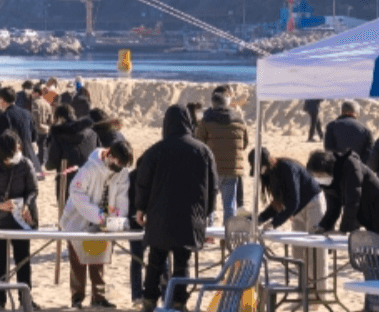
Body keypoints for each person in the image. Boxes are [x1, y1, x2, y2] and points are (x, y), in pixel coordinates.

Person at [133, 105, 217, 312]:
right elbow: (212, 187)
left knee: (155, 261)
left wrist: (141, 208)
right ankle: (179, 303)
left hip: (160, 216)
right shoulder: (203, 151)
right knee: (182, 262)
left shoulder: (155, 150)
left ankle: (149, 302)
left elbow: (142, 183)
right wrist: (206, 214)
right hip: (189, 217)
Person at [61, 140, 133, 310]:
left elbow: (122, 197)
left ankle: (98, 297)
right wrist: (98, 215)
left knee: (98, 258)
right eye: (117, 165)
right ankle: (77, 298)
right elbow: (76, 191)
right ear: (109, 155)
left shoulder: (121, 172)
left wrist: (117, 218)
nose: (119, 169)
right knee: (78, 260)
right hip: (79, 219)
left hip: (105, 221)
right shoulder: (89, 169)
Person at [253, 147, 327, 294]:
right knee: (298, 252)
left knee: (316, 251)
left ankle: (320, 293)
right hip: (297, 211)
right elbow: (277, 204)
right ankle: (305, 291)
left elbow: (293, 201)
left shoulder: (287, 167)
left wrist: (274, 223)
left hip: (313, 203)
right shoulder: (268, 175)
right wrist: (260, 218)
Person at [0, 130, 39, 309]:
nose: (16, 153)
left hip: (22, 219)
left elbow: (33, 189)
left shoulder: (25, 163)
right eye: (11, 152)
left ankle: (25, 299)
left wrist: (27, 204)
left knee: (23, 260)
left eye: (17, 148)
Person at [306, 149, 379, 235]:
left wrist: (343, 230)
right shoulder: (330, 181)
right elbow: (333, 207)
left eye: (320, 175)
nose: (319, 179)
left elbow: (353, 199)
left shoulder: (349, 164)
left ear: (329, 168)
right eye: (316, 176)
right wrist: (323, 226)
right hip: (371, 219)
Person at [196, 90, 250, 223]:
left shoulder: (206, 120)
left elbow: (199, 143)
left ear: (213, 104)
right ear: (228, 104)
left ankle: (209, 233)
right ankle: (228, 236)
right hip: (232, 169)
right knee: (229, 205)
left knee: (209, 204)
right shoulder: (239, 120)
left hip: (212, 168)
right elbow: (244, 143)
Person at [46, 104, 99, 181]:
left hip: (67, 182)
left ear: (61, 119)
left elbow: (51, 164)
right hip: (90, 179)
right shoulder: (92, 133)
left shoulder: (58, 136)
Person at [0, 87, 39, 171]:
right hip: (30, 158)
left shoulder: (3, 117)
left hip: (13, 159)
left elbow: (0, 141)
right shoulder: (27, 113)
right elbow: (34, 137)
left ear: (2, 100)